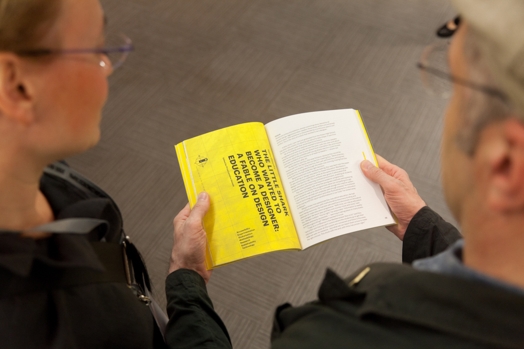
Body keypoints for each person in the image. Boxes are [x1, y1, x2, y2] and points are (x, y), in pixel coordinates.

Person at [169, 0, 524, 347]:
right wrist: (421, 225)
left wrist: (187, 280)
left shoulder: (337, 334)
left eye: (455, 90)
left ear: (506, 165)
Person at [0, 0, 231, 348]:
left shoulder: (52, 177)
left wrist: (186, 273)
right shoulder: (44, 329)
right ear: (17, 85)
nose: (106, 67)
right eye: (94, 50)